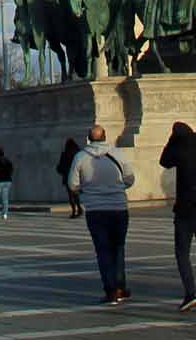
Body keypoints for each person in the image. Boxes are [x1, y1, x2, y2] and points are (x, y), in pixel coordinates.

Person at [69, 123, 135, 305]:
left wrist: (87, 191)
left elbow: (72, 184)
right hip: (118, 207)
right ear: (105, 137)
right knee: (119, 247)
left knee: (103, 250)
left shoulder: (81, 157)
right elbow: (130, 178)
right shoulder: (118, 154)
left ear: (89, 138)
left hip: (95, 209)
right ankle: (120, 287)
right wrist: (117, 188)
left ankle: (110, 290)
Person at [161, 120, 196, 312]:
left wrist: (171, 141)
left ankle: (190, 293)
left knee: (182, 252)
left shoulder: (179, 148)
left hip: (185, 208)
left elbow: (164, 161)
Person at [57, 137, 84, 218]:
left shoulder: (65, 154)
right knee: (76, 194)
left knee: (71, 195)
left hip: (67, 176)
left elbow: (61, 166)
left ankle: (74, 211)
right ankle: (79, 208)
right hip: (77, 176)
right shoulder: (78, 154)